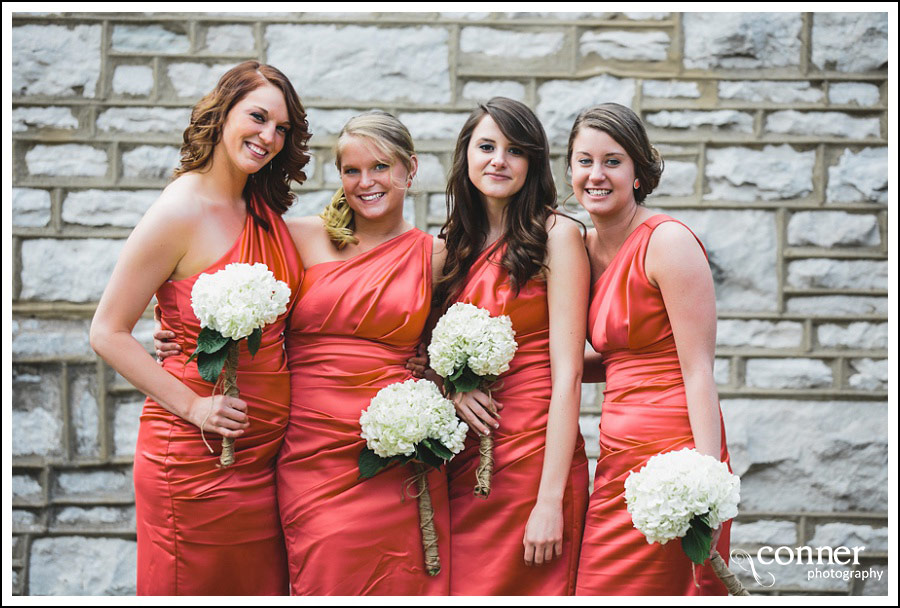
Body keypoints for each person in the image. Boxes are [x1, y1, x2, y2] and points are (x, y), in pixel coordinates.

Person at [90, 60, 311, 595]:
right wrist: (193, 406)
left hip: (261, 462)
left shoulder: (259, 204)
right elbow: (107, 331)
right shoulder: (179, 211)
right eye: (257, 117)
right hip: (194, 458)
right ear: (222, 111)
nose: (269, 137)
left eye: (282, 129)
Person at [276, 111, 451, 595]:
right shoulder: (302, 238)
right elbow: (238, 295)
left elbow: (445, 347)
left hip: (397, 454)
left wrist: (433, 374)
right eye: (352, 171)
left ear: (409, 170)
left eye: (380, 167)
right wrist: (177, 337)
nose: (366, 182)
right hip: (311, 455)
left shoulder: (435, 256)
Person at [567, 103, 731, 595]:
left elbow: (699, 369)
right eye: (584, 161)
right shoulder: (581, 248)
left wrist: (706, 482)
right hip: (617, 458)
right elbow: (619, 360)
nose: (596, 174)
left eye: (613, 161)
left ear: (638, 172)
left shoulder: (667, 243)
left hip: (676, 458)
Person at [433, 97, 590, 595]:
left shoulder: (557, 236)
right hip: (465, 461)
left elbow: (569, 374)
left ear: (533, 163)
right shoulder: (452, 246)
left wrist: (549, 502)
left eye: (515, 150)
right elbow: (426, 355)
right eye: (487, 146)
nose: (499, 160)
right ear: (467, 157)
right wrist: (453, 388)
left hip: (535, 456)